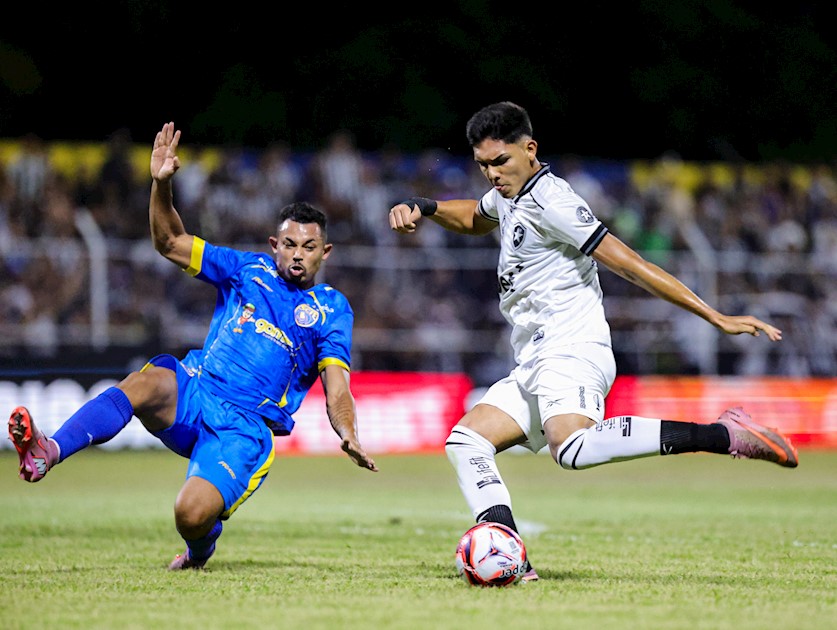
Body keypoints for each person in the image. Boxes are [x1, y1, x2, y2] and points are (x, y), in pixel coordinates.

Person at [388, 101, 798, 583]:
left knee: (572, 447)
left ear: (530, 148)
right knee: (467, 441)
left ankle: (725, 435)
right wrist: (429, 207)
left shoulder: (553, 201)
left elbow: (628, 263)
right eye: (482, 165)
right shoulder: (509, 195)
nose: (492, 174)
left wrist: (715, 316)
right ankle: (510, 553)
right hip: (535, 357)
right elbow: (476, 218)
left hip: (573, 345)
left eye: (501, 162)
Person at [9, 122, 378, 570]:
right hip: (197, 389)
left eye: (309, 246)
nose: (297, 254)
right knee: (144, 384)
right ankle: (49, 450)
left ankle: (201, 547)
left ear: (326, 252)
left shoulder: (332, 309)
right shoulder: (247, 269)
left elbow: (337, 387)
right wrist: (161, 184)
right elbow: (169, 242)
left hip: (243, 428)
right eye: (289, 244)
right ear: (274, 246)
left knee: (190, 515)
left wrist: (349, 433)